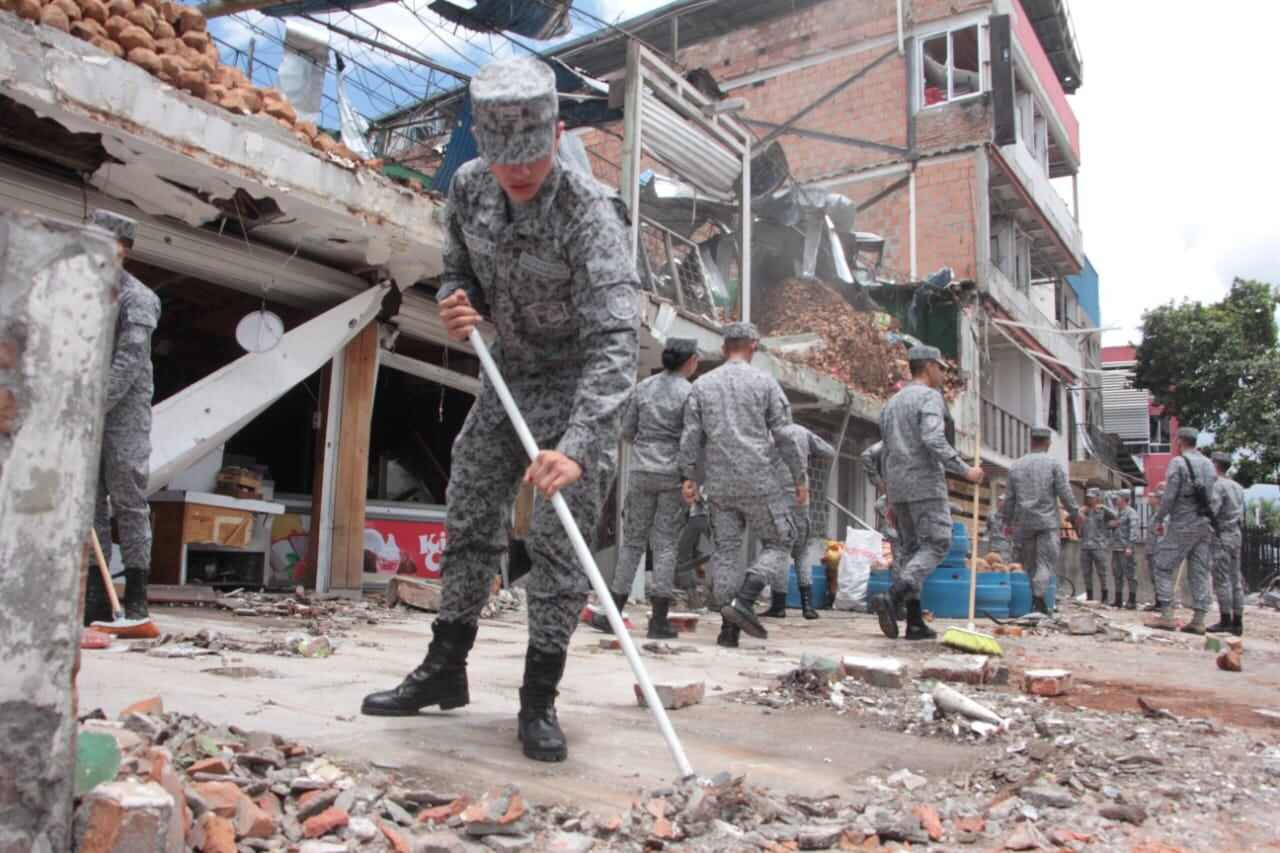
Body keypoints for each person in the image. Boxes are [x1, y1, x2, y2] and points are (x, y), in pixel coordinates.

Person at [360, 56, 640, 764]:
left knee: (557, 535)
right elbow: (457, 266)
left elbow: (615, 342)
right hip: (509, 377)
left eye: (532, 156)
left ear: (558, 132)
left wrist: (577, 443)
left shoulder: (589, 211)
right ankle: (444, 666)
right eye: (501, 157)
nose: (518, 173)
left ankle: (538, 696)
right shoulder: (468, 187)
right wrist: (457, 302)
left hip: (578, 384)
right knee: (470, 506)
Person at [677, 322, 806, 647]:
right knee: (781, 541)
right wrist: (799, 476)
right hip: (759, 480)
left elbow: (692, 435)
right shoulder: (765, 383)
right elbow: (785, 435)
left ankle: (728, 630)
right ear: (753, 347)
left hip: (719, 485)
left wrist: (688, 476)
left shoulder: (702, 385)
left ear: (723, 349)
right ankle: (746, 598)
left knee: (725, 552)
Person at [872, 345, 983, 640]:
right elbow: (933, 438)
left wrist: (888, 484)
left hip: (898, 485)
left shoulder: (892, 403)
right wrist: (965, 470)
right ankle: (894, 596)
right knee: (937, 542)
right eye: (941, 369)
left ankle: (915, 621)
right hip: (924, 482)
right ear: (930, 367)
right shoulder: (929, 397)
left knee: (910, 550)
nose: (943, 375)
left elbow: (884, 448)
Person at [83, 210, 161, 625]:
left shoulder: (137, 297)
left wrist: (96, 403)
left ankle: (135, 595)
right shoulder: (85, 293)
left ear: (123, 250)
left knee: (128, 501)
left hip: (123, 415)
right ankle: (97, 595)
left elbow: (130, 359)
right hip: (86, 411)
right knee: (90, 502)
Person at [592, 337, 699, 639]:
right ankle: (659, 621)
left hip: (640, 471)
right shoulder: (690, 394)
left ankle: (612, 615)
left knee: (632, 543)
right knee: (665, 545)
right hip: (671, 474)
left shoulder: (643, 387)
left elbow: (626, 431)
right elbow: (691, 440)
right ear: (691, 360)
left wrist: (646, 449)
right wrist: (689, 475)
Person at [1146, 427, 1217, 634]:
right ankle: (1199, 618)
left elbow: (1168, 497)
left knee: (1161, 564)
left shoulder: (1178, 462)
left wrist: (1159, 519)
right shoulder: (1209, 465)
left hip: (1183, 523)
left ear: (1179, 441)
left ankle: (1167, 614)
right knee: (1199, 570)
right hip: (1204, 524)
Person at [760, 424, 835, 620]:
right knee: (802, 553)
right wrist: (807, 456)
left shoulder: (769, 434)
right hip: (802, 502)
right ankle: (808, 607)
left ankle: (778, 605)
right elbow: (829, 451)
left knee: (781, 552)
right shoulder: (802, 432)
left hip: (779, 502)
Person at [1003, 427, 1079, 616]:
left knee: (1031, 565)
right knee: (1044, 563)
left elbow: (1009, 497)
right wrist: (1075, 513)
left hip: (1024, 524)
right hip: (1047, 523)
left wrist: (1007, 521)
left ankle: (1035, 602)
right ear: (1048, 443)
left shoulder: (1016, 466)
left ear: (1031, 442)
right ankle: (1039, 602)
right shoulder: (1053, 464)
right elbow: (1064, 491)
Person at [1207, 451, 1245, 636]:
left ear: (1215, 465)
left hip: (1221, 535)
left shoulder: (1218, 486)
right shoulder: (1237, 487)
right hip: (1236, 534)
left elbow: (1213, 510)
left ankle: (1225, 619)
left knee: (1222, 578)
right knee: (1235, 579)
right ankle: (1238, 620)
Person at [1078, 488, 1114, 603]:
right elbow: (1069, 518)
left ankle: (1105, 596)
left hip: (1099, 545)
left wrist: (1103, 507)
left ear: (1097, 497)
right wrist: (1079, 511)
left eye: (1092, 497)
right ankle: (1089, 595)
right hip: (1085, 546)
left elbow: (1115, 515)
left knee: (1102, 572)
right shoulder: (1085, 510)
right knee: (1086, 572)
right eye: (1088, 497)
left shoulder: (1102, 510)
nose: (1089, 500)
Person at [1109, 491, 1139, 609]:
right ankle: (1118, 599)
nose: (1115, 500)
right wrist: (1112, 524)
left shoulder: (1131, 513)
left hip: (1125, 548)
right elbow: (1109, 524)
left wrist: (1130, 546)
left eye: (1117, 498)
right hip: (1116, 547)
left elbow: (1134, 530)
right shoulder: (1117, 512)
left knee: (1130, 574)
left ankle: (1132, 600)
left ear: (1124, 499)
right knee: (1117, 573)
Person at [1142, 488, 1163, 611]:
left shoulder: (1161, 515)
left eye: (1152, 497)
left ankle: (1162, 602)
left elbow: (1161, 534)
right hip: (1152, 550)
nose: (1149, 499)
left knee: (1160, 577)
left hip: (1158, 551)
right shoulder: (1153, 514)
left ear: (1158, 500)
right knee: (1154, 577)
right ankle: (1158, 601)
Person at [983, 491, 1013, 563]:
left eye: (1002, 501)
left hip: (1004, 548)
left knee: (1002, 566)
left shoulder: (1010, 517)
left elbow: (1013, 534)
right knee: (990, 565)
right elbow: (987, 527)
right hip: (992, 546)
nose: (1000, 503)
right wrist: (983, 531)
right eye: (999, 500)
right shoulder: (992, 514)